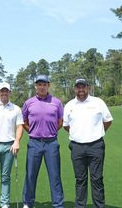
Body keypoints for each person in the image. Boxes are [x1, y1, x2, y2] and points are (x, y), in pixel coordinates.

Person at [63, 78, 113, 208]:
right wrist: (78, 135)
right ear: (74, 89)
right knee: (80, 180)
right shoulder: (69, 105)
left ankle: (98, 206)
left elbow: (107, 121)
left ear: (88, 88)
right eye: (78, 87)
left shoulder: (98, 102)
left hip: (96, 146)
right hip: (77, 147)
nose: (81, 90)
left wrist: (96, 133)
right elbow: (66, 126)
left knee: (97, 179)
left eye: (83, 87)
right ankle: (80, 206)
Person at [22, 75, 65, 208]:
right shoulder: (28, 103)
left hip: (51, 143)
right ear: (35, 86)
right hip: (34, 142)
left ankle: (58, 204)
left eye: (44, 84)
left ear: (48, 85)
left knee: (55, 175)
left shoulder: (56, 102)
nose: (42, 87)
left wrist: (50, 131)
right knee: (30, 174)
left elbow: (60, 122)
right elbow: (24, 121)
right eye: (39, 84)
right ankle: (28, 203)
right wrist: (32, 131)